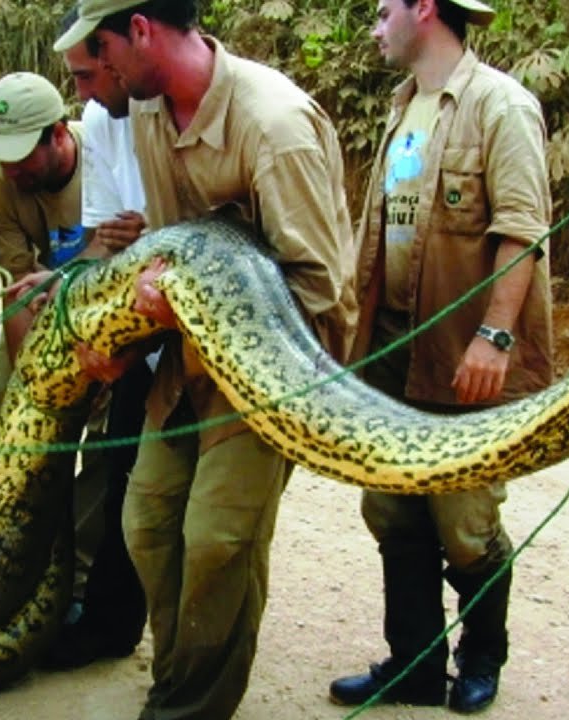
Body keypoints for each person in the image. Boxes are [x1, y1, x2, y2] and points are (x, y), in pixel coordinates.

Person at [53, 0, 359, 716]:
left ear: (139, 29)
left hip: (276, 368)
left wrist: (189, 294)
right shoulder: (154, 114)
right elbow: (171, 248)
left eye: (100, 51)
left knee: (220, 539)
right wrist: (123, 336)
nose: (98, 76)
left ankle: (187, 709)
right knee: (148, 524)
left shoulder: (274, 127)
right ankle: (179, 681)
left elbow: (319, 286)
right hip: (188, 360)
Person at [325, 0, 552, 713]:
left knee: (464, 520)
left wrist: (495, 336)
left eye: (384, 9)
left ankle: (481, 655)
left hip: (465, 355)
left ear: (425, 8)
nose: (375, 24)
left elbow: (523, 228)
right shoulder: (402, 107)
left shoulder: (501, 106)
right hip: (390, 344)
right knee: (392, 510)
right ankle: (415, 664)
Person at [34, 23, 154, 671]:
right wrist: (66, 284)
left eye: (87, 72)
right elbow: (106, 242)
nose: (80, 89)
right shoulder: (101, 119)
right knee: (125, 481)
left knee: (194, 508)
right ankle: (110, 624)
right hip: (143, 322)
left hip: (196, 329)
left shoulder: (172, 110)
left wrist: (150, 236)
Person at [0, 71, 88, 445]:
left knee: (107, 443)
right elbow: (17, 287)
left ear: (57, 134)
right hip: (38, 298)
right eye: (1, 157)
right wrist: (31, 383)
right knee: (10, 426)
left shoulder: (108, 154)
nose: (10, 171)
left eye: (20, 157)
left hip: (105, 299)